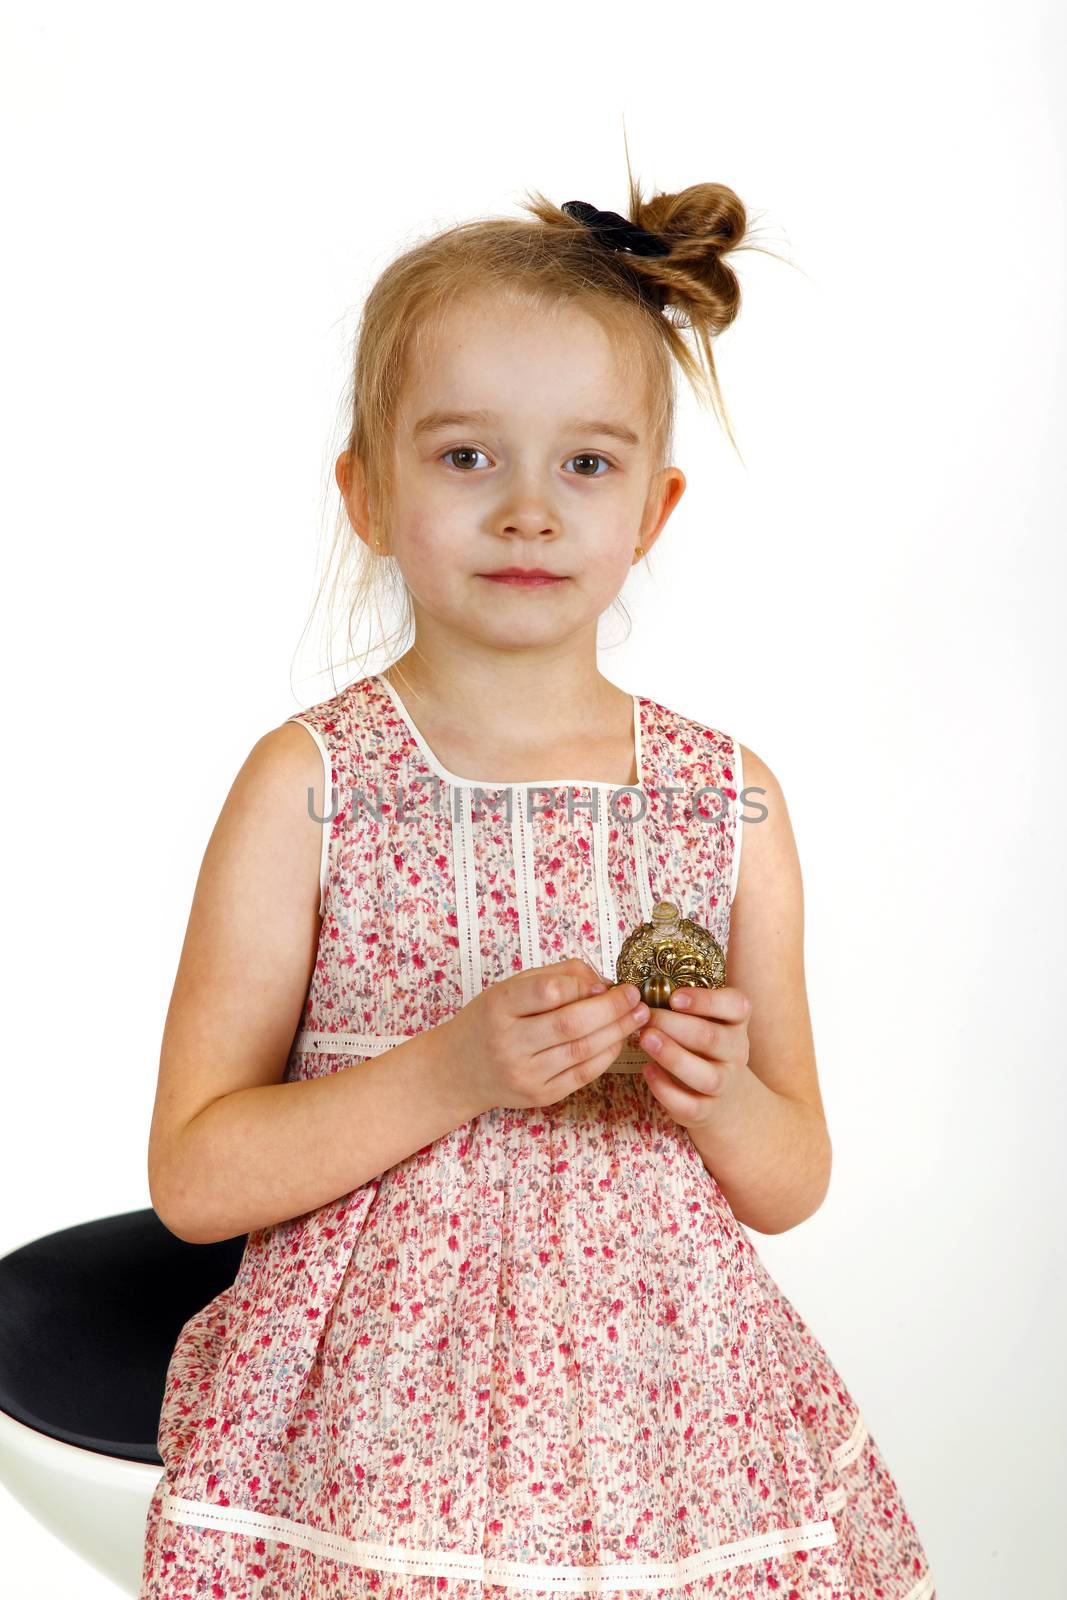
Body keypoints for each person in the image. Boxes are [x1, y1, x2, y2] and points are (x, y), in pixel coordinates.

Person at [139, 159, 937, 1600]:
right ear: (366, 494)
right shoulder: (310, 785)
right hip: (376, 1456)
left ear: (656, 508)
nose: (527, 510)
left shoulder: (729, 801)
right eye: (464, 456)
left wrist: (723, 1094)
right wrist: (451, 1071)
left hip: (672, 1443)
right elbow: (196, 1180)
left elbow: (792, 1175)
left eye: (586, 462)